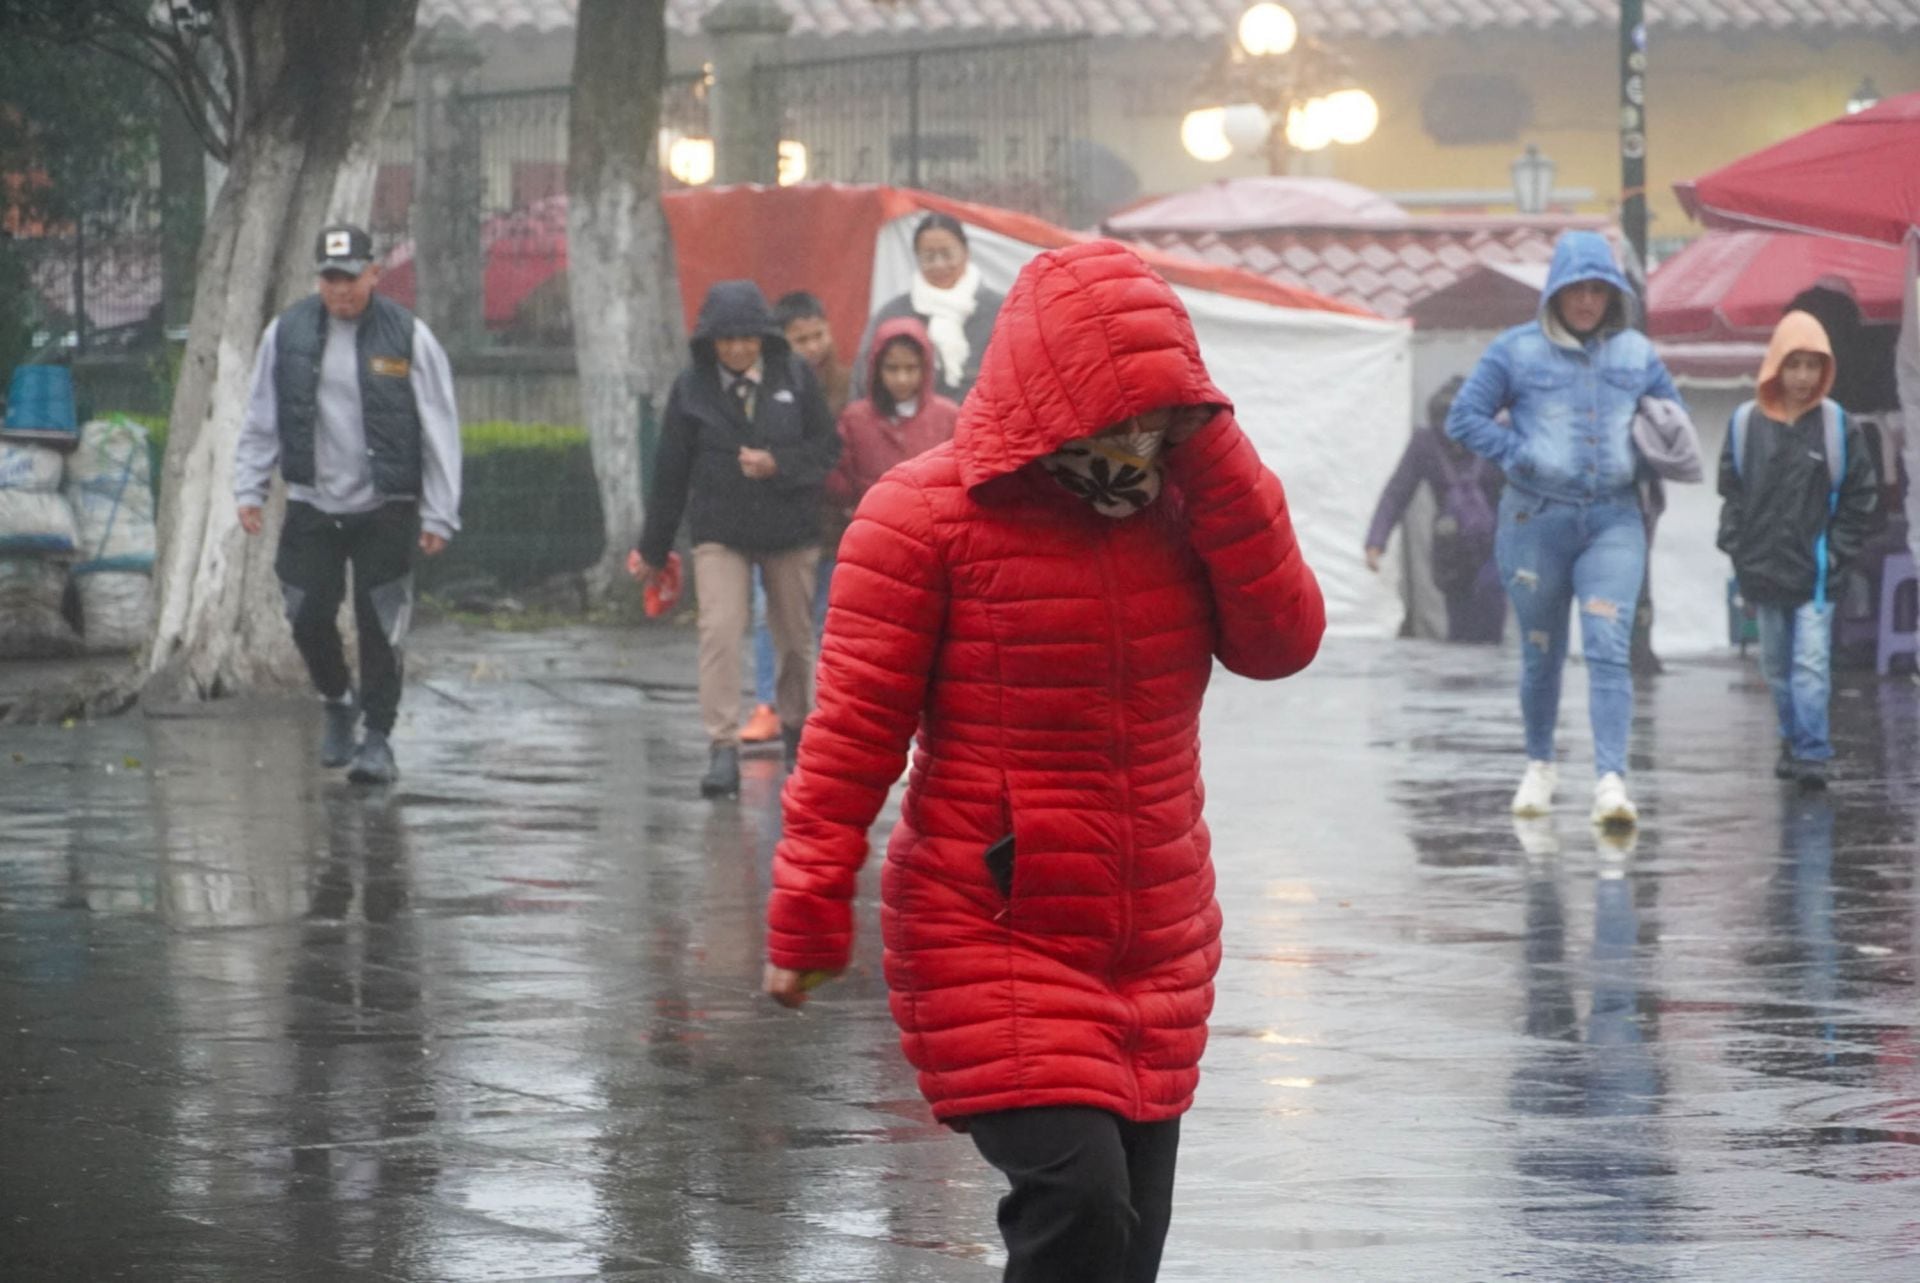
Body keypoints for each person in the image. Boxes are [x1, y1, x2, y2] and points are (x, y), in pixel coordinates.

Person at [763, 241, 1325, 1283]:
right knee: (1079, 1205)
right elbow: (849, 740)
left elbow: (1282, 640)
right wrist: (807, 910)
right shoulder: (923, 517)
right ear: (1047, 391)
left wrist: (1215, 455)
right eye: (1120, 407)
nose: (1137, 435)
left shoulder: (1180, 504)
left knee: (1127, 1247)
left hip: (1156, 934)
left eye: (1161, 409)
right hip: (993, 931)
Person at [1447, 230, 1683, 827]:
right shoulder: (1514, 351)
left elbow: (1670, 419)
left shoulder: (1637, 354)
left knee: (1608, 647)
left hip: (1614, 518)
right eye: (1576, 289)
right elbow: (1464, 416)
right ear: (1555, 290)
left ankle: (1610, 781)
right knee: (1540, 651)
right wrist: (1515, 451)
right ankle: (1540, 764)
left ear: (1613, 294)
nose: (1586, 301)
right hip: (1535, 520)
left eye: (1598, 290)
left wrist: (1663, 450)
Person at [233, 223, 461, 786]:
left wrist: (439, 511)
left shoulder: (408, 336)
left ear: (374, 274)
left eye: (352, 277)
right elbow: (262, 414)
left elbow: (440, 425)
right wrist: (250, 486)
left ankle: (377, 739)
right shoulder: (286, 333)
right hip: (314, 502)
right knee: (306, 612)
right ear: (319, 280)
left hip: (386, 505)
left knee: (381, 625)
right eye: (332, 279)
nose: (342, 290)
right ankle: (336, 698)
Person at [627, 280, 840, 799]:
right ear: (710, 343)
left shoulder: (795, 377)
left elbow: (827, 449)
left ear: (763, 337)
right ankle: (722, 748)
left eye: (747, 338)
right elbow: (670, 473)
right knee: (720, 629)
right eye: (726, 340)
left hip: (789, 531)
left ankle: (796, 734)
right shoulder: (691, 388)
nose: (738, 349)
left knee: (794, 635)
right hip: (720, 531)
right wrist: (653, 551)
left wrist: (780, 465)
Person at [1717, 311, 1879, 790]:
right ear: (1776, 366)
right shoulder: (1745, 424)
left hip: (1816, 573)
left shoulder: (1837, 427)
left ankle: (1812, 751)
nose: (1804, 377)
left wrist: (1836, 553)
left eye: (1813, 365)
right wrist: (1737, 550)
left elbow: (1859, 496)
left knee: (1810, 664)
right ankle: (1791, 738)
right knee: (1776, 666)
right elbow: (1733, 493)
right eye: (1795, 365)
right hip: (1763, 572)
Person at [743, 292, 856, 746]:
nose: (813, 346)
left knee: (828, 618)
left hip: (835, 524)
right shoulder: (764, 386)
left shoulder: (849, 383)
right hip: (777, 521)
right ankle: (769, 704)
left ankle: (824, 704)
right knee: (766, 615)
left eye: (818, 335)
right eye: (800, 339)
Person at [1363, 375, 1505, 643]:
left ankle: (1490, 675)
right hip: (1452, 545)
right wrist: (1376, 542)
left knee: (1490, 602)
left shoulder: (1496, 439)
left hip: (1495, 541)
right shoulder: (1425, 443)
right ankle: (1461, 677)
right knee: (1459, 621)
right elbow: (1397, 493)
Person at [824, 315, 960, 537]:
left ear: (925, 368)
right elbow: (840, 478)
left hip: (933, 534)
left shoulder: (947, 416)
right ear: (876, 369)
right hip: (874, 532)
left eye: (911, 368)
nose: (902, 379)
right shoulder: (855, 419)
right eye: (892, 368)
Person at [858, 213, 1004, 403]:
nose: (938, 264)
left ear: (966, 253)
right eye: (928, 256)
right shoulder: (894, 314)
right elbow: (864, 379)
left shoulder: (999, 311)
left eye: (947, 254)